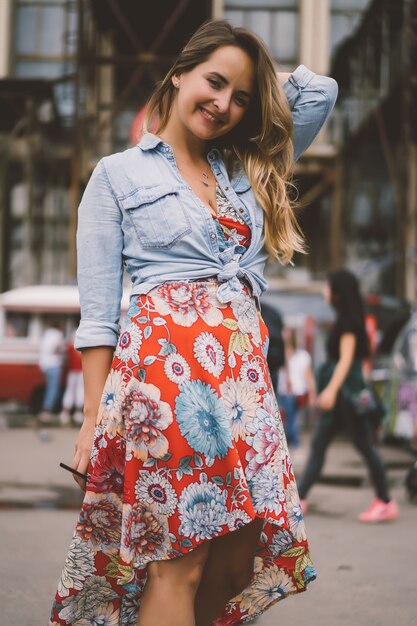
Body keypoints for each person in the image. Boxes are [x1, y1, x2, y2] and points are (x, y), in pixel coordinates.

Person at [50, 20, 338, 626]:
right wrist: (91, 422)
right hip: (166, 384)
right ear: (177, 73)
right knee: (177, 564)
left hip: (247, 391)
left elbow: (321, 92)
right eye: (212, 81)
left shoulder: (247, 170)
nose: (223, 104)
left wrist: (254, 78)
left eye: (240, 97)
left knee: (235, 567)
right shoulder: (117, 175)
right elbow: (99, 318)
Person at [297, 269, 399, 523]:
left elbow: (345, 360)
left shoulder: (348, 323)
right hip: (343, 394)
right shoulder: (349, 319)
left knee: (364, 446)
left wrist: (331, 390)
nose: (325, 292)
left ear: (339, 293)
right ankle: (299, 498)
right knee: (321, 443)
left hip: (345, 395)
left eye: (328, 287)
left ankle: (385, 501)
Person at [278, 327, 316, 451]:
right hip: (282, 391)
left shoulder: (302, 356)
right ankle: (292, 444)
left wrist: (312, 394)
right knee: (287, 420)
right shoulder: (282, 355)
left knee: (292, 419)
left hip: (296, 392)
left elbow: (308, 376)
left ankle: (295, 444)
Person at [38, 318, 65, 424]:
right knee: (53, 388)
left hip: (44, 364)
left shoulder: (46, 333)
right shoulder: (57, 334)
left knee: (49, 387)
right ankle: (47, 410)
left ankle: (45, 409)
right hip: (54, 363)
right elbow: (58, 348)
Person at [59, 335, 84, 426]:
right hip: (81, 371)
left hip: (73, 371)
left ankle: (66, 412)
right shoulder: (85, 342)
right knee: (80, 390)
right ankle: (77, 412)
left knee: (70, 391)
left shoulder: (70, 343)